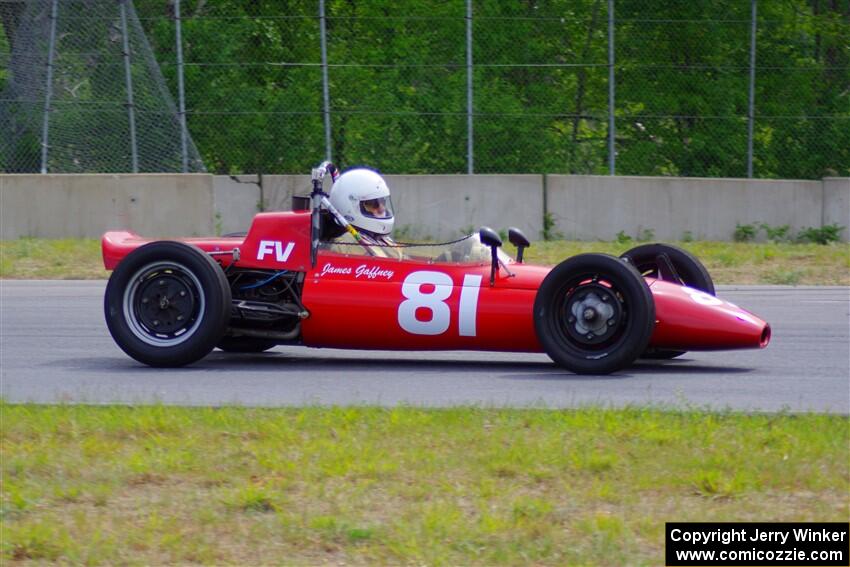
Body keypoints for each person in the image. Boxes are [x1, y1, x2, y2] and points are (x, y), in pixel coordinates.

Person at [325, 168, 403, 259]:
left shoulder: (383, 239)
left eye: (382, 202)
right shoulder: (346, 246)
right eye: (373, 204)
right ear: (349, 207)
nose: (382, 209)